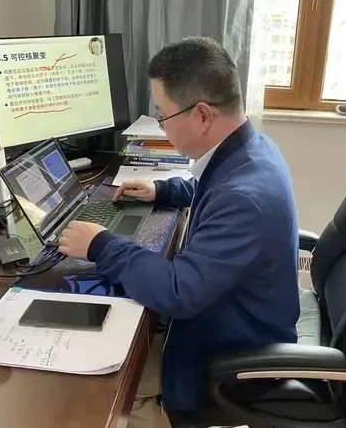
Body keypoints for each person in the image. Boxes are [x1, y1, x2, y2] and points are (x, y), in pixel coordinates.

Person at [58, 37, 300, 427]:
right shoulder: (252, 149)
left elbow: (177, 292)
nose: (160, 126)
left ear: (202, 114)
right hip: (232, 318)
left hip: (226, 359)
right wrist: (163, 190)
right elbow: (212, 188)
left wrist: (100, 244)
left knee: (85, 392)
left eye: (162, 115)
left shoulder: (244, 200)